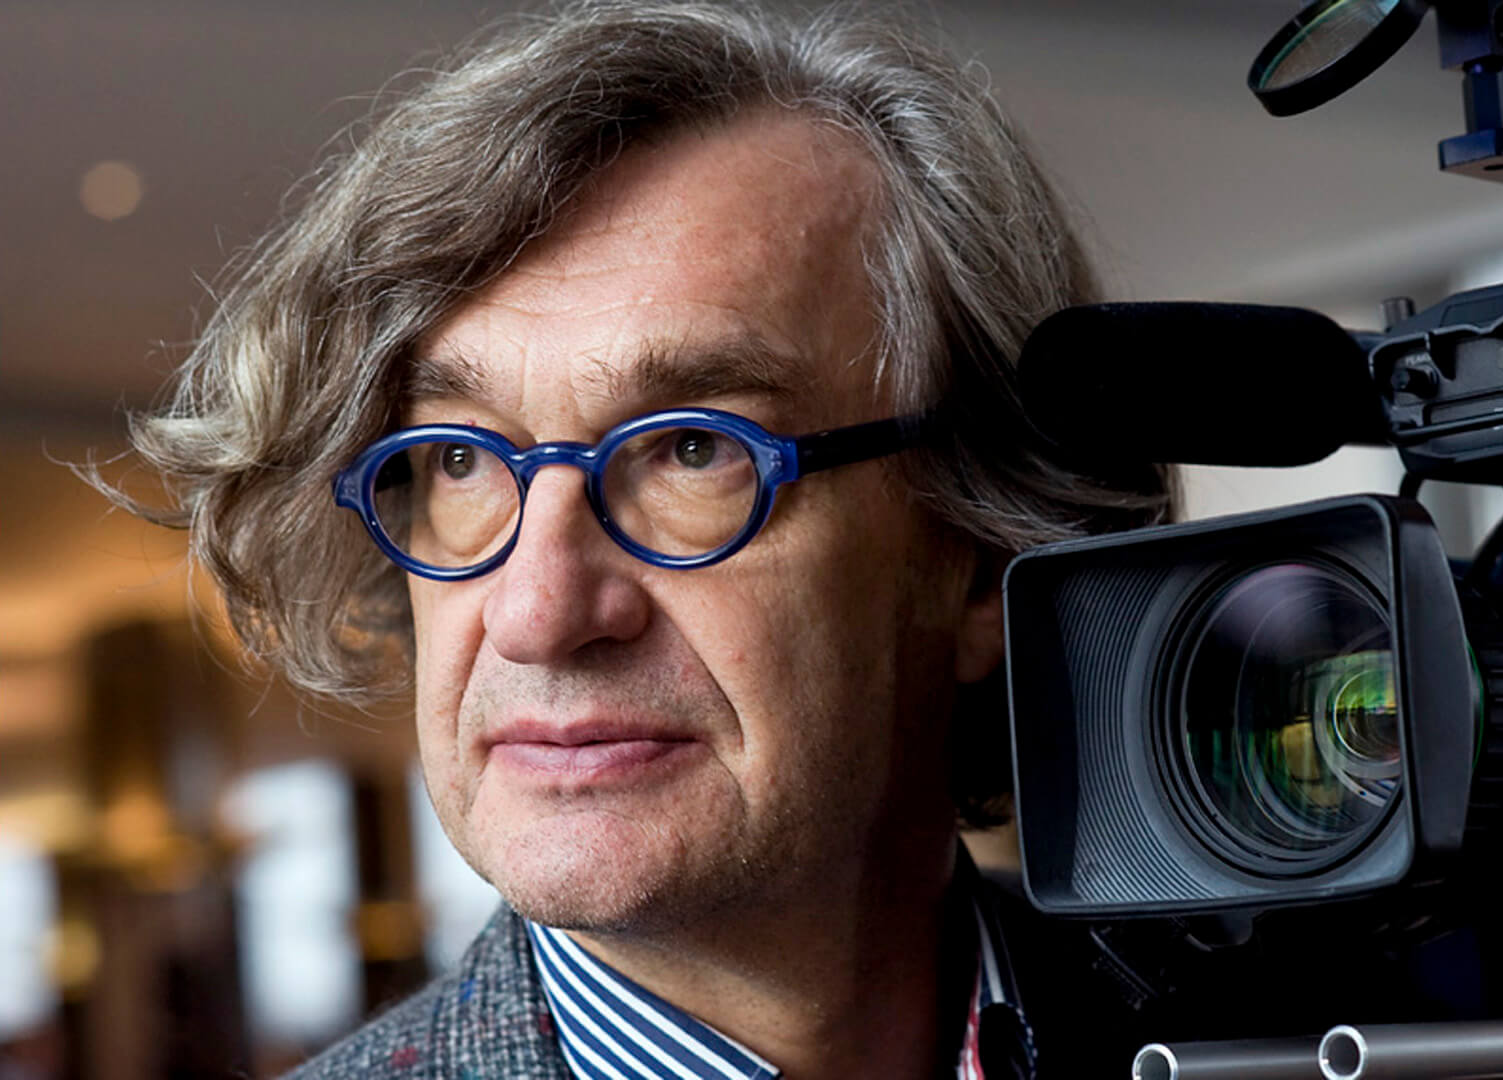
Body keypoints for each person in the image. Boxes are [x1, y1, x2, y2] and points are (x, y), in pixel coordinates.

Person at [110, 1, 1175, 1077]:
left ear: (985, 555)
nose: (537, 613)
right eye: (462, 459)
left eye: (694, 450)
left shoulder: (1258, 1028)